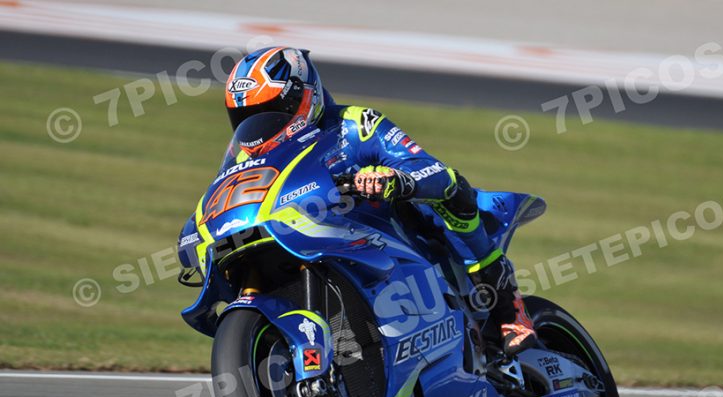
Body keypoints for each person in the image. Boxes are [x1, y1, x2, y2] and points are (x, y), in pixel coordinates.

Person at [223, 46, 539, 356]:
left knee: (452, 190)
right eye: (246, 118)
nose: (258, 129)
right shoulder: (242, 156)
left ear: (305, 97)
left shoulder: (355, 124)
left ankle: (509, 312)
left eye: (268, 114)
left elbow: (428, 167)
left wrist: (395, 179)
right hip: (305, 234)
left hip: (389, 232)